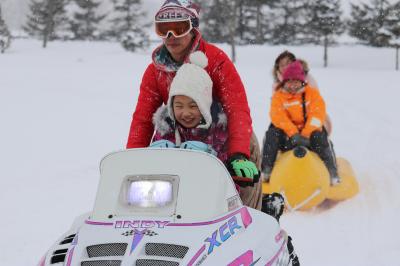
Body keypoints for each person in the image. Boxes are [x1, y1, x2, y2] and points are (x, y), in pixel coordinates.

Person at [126, 0, 259, 183]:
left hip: (222, 134)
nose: (171, 36)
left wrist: (238, 154)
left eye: (179, 28)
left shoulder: (215, 60)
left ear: (192, 27)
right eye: (163, 29)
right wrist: (132, 159)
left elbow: (237, 109)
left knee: (244, 166)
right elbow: (143, 119)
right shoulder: (155, 70)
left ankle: (251, 206)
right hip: (180, 133)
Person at [150, 51, 263, 210]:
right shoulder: (166, 129)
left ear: (204, 106)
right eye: (179, 106)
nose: (186, 113)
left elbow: (227, 181)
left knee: (246, 208)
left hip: (215, 201)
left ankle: (260, 214)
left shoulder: (220, 132)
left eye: (193, 106)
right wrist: (153, 159)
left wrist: (212, 158)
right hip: (177, 203)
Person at [262, 61, 340, 186]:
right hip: (289, 137)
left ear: (302, 81)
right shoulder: (278, 96)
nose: (292, 85)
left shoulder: (312, 94)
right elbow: (278, 117)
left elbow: (317, 114)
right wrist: (293, 134)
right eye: (289, 81)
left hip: (309, 137)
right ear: (284, 82)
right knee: (271, 135)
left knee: (320, 137)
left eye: (296, 81)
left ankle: (332, 173)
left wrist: (306, 134)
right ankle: (266, 171)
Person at [272, 50, 332, 135]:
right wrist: (292, 132)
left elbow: (317, 109)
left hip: (310, 123)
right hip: (287, 127)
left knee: (319, 136)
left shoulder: (310, 89)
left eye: (288, 63)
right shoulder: (278, 92)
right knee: (273, 133)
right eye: (282, 65)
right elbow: (278, 113)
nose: (285, 66)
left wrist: (307, 132)